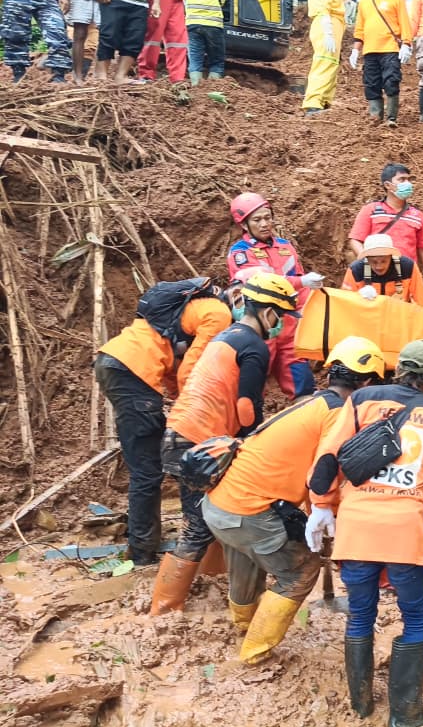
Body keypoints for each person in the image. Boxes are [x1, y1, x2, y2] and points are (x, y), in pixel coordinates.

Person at [307, 339, 423, 727]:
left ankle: (361, 706)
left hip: (356, 528)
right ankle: (405, 715)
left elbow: (329, 455)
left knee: (360, 615)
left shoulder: (362, 399)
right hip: (404, 533)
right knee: (416, 618)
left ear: (399, 368)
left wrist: (321, 504)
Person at [204, 336, 384, 664]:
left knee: (247, 558)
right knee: (301, 570)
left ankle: (243, 625)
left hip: (221, 504)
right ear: (367, 384)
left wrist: (318, 514)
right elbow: (323, 475)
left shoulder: (312, 403)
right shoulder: (338, 416)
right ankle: (253, 654)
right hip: (249, 511)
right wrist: (333, 517)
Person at [150, 272, 298, 615]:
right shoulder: (254, 347)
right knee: (199, 525)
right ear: (269, 313)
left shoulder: (227, 336)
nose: (282, 325)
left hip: (184, 434)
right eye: (282, 317)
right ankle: (164, 610)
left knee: (215, 509)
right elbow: (247, 407)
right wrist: (255, 440)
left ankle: (212, 579)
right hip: (198, 442)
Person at [95, 279, 232, 566]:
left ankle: (143, 543)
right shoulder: (219, 314)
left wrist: (182, 402)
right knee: (146, 470)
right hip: (133, 371)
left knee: (147, 465)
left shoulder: (185, 313)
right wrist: (195, 409)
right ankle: (142, 552)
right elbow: (191, 372)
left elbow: (173, 371)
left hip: (118, 364)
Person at [228, 192, 322, 397]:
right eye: (257, 220)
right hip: (261, 327)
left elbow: (301, 285)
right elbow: (264, 286)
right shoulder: (240, 253)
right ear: (244, 225)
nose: (264, 224)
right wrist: (301, 282)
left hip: (290, 326)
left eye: (267, 217)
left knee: (303, 386)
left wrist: (308, 312)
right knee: (253, 385)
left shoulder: (285, 246)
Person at [347, 164, 423, 306]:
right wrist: (368, 262)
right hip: (374, 275)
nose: (408, 183)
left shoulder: (417, 215)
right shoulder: (371, 210)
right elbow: (355, 240)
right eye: (402, 179)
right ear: (388, 185)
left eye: (409, 179)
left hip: (405, 275)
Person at [302, 0, 364, 114]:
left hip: (330, 23)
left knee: (331, 63)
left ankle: (323, 101)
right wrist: (328, 32)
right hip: (326, 23)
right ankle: (313, 103)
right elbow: (323, 7)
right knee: (324, 62)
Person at [348, 0, 412, 127]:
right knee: (371, 84)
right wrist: (355, 50)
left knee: (391, 82)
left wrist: (406, 43)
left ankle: (391, 118)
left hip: (390, 49)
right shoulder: (364, 1)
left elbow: (404, 22)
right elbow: (360, 28)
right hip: (370, 50)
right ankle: (375, 117)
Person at [341, 232, 423, 306]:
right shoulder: (356, 270)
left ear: (391, 256)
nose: (379, 267)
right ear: (367, 259)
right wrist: (358, 297)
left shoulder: (407, 267)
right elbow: (345, 304)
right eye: (374, 262)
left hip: (399, 319)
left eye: (383, 261)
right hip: (367, 319)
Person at [183, 0, 228, 87]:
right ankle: (212, 89)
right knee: (217, 61)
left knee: (195, 59)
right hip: (214, 25)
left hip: (193, 25)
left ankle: (196, 87)